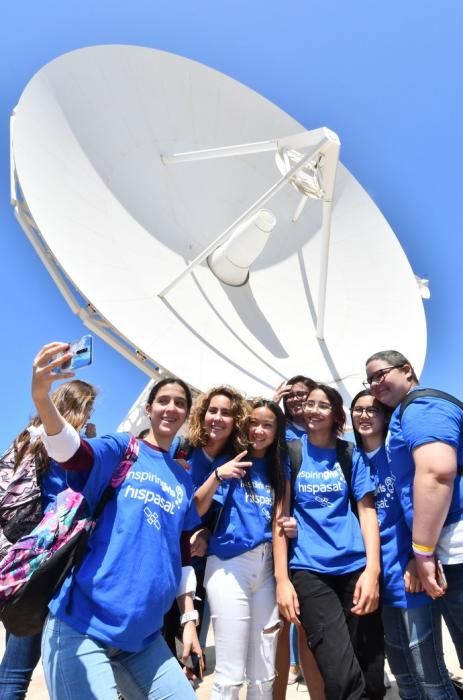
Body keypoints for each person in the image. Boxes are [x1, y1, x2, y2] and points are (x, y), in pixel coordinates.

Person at [31, 341, 202, 700]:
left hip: (143, 638)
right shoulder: (122, 448)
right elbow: (72, 454)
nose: (172, 407)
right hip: (82, 625)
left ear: (187, 415)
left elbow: (183, 554)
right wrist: (42, 397)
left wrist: (188, 620)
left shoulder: (183, 479)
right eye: (164, 400)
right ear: (149, 408)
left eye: (180, 403)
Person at [274, 383, 382, 700]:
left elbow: (367, 513)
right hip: (310, 571)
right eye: (309, 403)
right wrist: (282, 579)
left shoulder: (350, 455)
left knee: (370, 667)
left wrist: (372, 571)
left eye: (323, 405)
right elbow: (279, 519)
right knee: (338, 671)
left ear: (336, 414)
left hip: (355, 568)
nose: (313, 410)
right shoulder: (291, 453)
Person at [351, 388, 458, 699]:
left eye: (372, 409)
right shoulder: (352, 460)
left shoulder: (399, 454)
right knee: (402, 673)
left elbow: (423, 507)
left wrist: (416, 557)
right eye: (358, 409)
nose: (365, 415)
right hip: (378, 575)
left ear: (386, 415)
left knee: (429, 674)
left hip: (410, 572)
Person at [0, 379, 97, 700]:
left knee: (13, 670)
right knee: (17, 672)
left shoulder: (26, 440)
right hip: (49, 564)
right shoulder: (62, 450)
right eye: (87, 409)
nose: (89, 416)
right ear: (74, 408)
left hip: (22, 559)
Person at [194, 398, 288, 699]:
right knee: (231, 674)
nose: (259, 430)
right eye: (253, 423)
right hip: (229, 564)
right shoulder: (227, 459)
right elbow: (197, 509)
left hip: (268, 567)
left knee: (264, 674)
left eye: (267, 425)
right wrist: (218, 474)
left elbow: (279, 518)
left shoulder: (279, 466)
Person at [273, 375, 325, 700]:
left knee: (308, 622)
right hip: (279, 536)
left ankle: (310, 677)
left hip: (312, 542)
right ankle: (284, 678)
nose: (295, 400)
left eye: (302, 395)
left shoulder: (325, 436)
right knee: (281, 623)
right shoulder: (280, 434)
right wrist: (271, 402)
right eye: (290, 395)